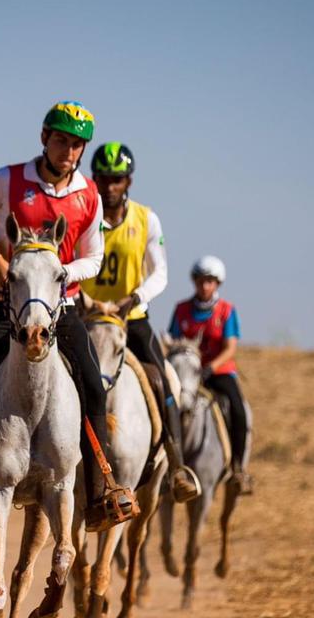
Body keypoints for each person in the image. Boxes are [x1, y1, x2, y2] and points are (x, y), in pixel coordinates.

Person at [0, 101, 138, 532]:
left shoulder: (88, 195)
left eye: (77, 144)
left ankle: (100, 494)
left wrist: (61, 275)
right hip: (1, 305)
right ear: (43, 138)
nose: (68, 151)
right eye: (61, 140)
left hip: (62, 309)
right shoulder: (8, 180)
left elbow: (95, 257)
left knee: (93, 386)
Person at [80, 142, 202, 503]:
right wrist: (84, 300)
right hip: (86, 316)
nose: (109, 186)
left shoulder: (147, 219)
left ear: (128, 181)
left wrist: (132, 299)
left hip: (130, 318)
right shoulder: (84, 217)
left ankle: (177, 465)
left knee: (163, 378)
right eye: (103, 179)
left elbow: (160, 273)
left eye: (116, 179)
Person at [168, 256, 255, 494]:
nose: (204, 286)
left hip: (217, 372)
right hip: (186, 374)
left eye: (210, 281)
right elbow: (174, 342)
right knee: (165, 404)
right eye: (200, 281)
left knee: (238, 410)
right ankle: (161, 463)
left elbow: (231, 348)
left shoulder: (227, 311)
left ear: (217, 284)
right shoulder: (181, 310)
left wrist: (210, 367)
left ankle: (238, 468)